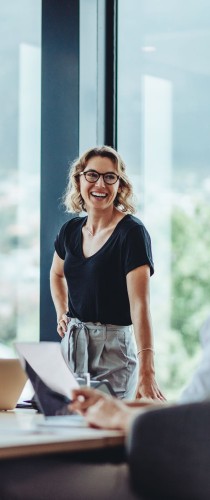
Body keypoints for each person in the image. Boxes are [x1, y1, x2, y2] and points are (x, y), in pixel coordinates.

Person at [50, 145, 164, 400]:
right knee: (69, 429)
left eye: (109, 177)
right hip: (72, 345)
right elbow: (57, 275)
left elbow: (140, 306)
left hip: (113, 351)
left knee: (107, 434)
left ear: (120, 185)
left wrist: (148, 371)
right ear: (79, 180)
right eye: (92, 175)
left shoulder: (131, 233)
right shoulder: (69, 231)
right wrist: (61, 312)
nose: (100, 184)